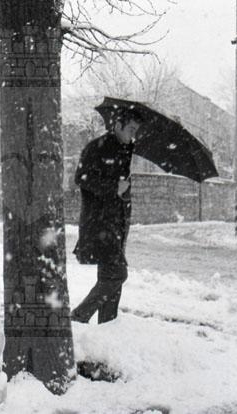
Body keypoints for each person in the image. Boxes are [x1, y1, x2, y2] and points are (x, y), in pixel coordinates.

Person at [71, 109, 143, 324]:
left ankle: (107, 326)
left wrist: (123, 191)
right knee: (117, 275)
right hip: (100, 222)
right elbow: (81, 178)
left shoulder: (124, 150)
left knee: (110, 277)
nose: (133, 135)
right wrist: (114, 187)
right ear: (118, 125)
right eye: (131, 129)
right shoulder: (97, 147)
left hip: (117, 222)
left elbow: (121, 187)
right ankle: (78, 316)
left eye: (136, 131)